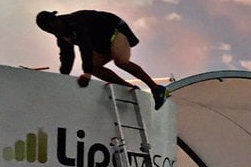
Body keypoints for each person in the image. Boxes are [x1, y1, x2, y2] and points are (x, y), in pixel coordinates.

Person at [35, 9, 168, 109]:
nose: (54, 32)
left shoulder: (75, 21)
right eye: (49, 31)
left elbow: (85, 45)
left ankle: (157, 89)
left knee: (120, 61)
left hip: (115, 32)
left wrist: (86, 72)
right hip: (101, 44)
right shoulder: (61, 35)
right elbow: (67, 56)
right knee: (94, 68)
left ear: (56, 19)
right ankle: (129, 88)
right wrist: (62, 78)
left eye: (53, 28)